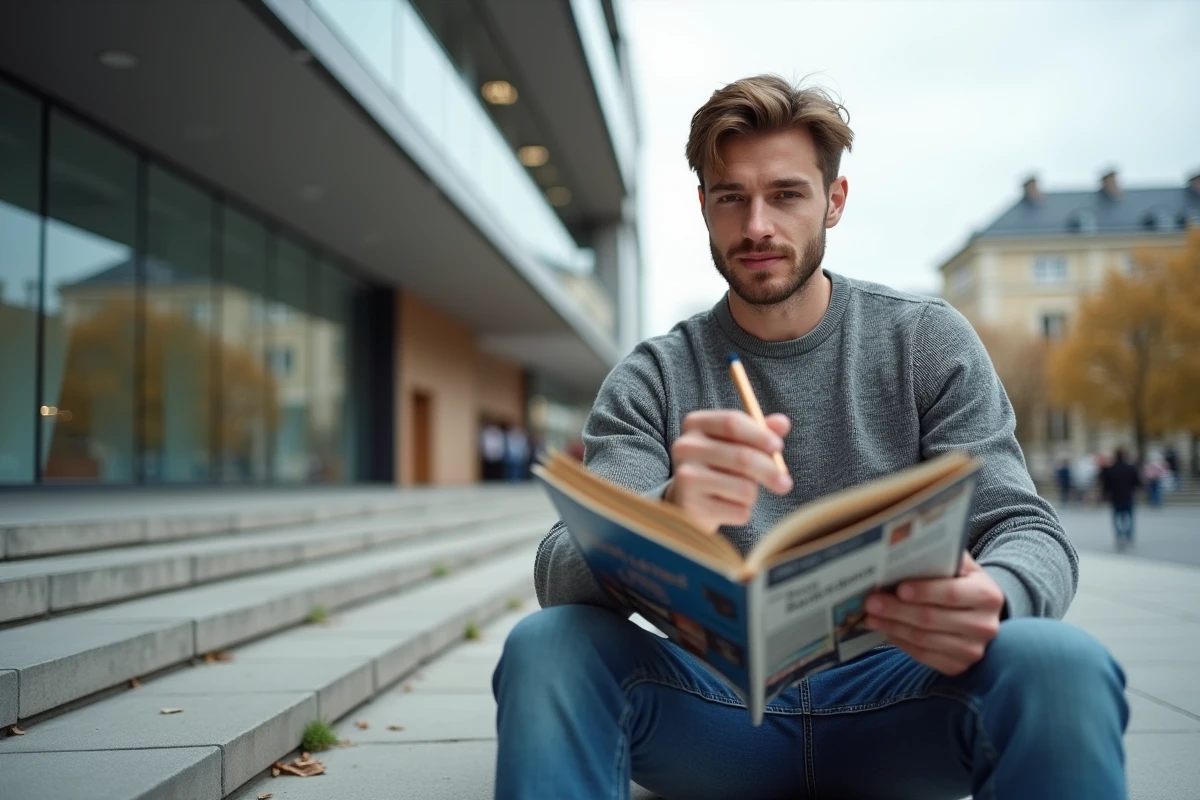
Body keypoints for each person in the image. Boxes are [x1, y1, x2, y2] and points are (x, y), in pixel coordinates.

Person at [493, 75, 1127, 800]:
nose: (757, 225)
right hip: (715, 714)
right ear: (703, 206)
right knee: (544, 647)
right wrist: (666, 513)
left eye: (786, 194)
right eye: (730, 197)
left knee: (1062, 661)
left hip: (904, 696)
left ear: (835, 200)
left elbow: (1023, 524)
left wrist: (1000, 594)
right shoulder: (653, 377)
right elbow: (557, 576)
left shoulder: (925, 340)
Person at [1102, 449, 1141, 548]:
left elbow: (1106, 484)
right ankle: (1128, 535)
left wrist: (1105, 494)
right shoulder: (1130, 468)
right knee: (1129, 517)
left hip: (1115, 497)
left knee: (1117, 518)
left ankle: (1119, 535)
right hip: (1128, 495)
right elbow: (1137, 482)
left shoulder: (1111, 469)